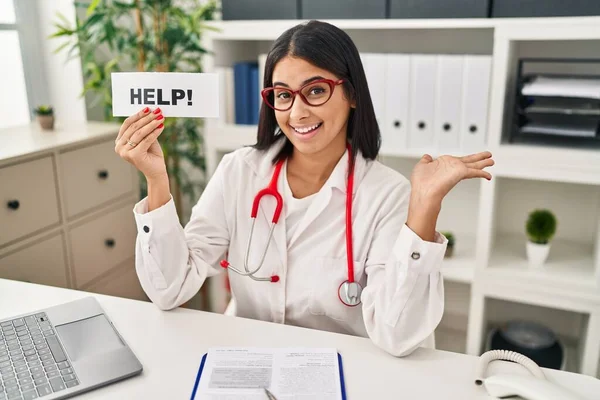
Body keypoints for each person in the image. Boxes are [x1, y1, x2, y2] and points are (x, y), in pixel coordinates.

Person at [114, 20, 494, 357]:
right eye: (283, 95)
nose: (297, 113)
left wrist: (424, 206)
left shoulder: (387, 194)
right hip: (252, 361)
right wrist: (157, 182)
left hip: (345, 370)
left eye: (315, 91)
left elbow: (397, 335)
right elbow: (170, 288)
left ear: (353, 94)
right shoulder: (239, 172)